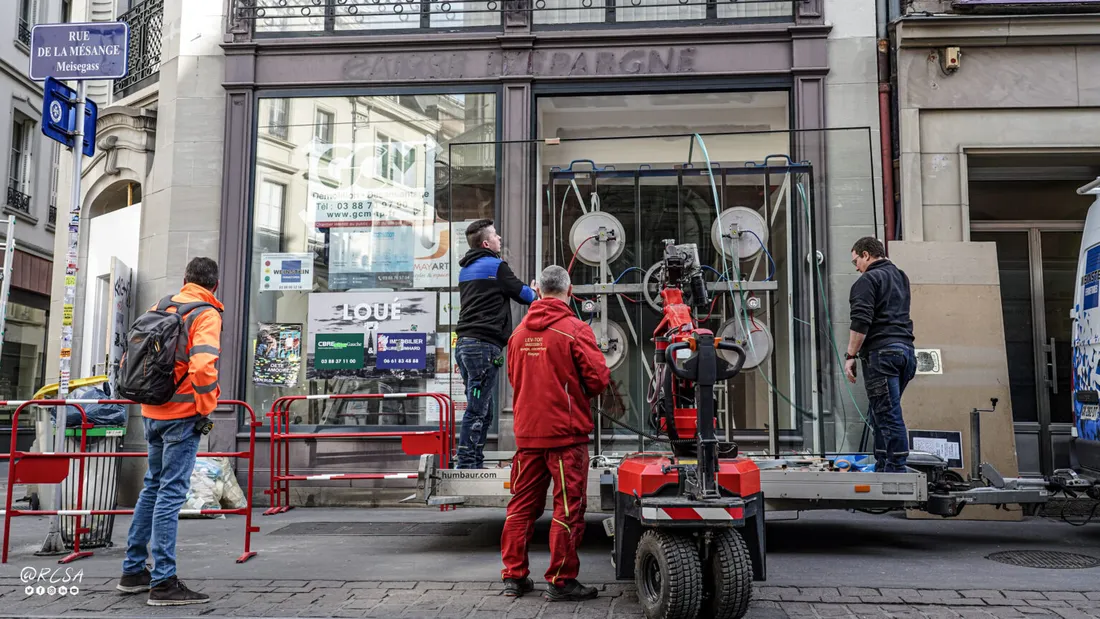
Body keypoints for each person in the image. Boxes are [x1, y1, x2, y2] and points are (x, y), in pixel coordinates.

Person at [116, 257, 223, 605]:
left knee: (153, 486)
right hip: (181, 413)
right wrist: (206, 406)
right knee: (171, 492)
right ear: (215, 286)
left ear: (185, 278)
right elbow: (204, 366)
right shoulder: (206, 313)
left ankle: (133, 571)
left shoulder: (160, 305)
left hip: (151, 410)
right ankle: (163, 582)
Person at [500, 265, 610, 601]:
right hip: (566, 436)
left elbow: (515, 380)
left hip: (528, 435)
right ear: (569, 289)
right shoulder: (574, 329)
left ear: (537, 288)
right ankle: (561, 581)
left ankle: (514, 577)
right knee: (568, 508)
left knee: (520, 506)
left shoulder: (518, 335)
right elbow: (598, 378)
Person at [454, 219, 537, 469]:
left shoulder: (466, 269)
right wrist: (535, 292)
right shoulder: (496, 266)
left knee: (483, 406)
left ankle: (475, 459)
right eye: (496, 236)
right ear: (486, 243)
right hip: (482, 346)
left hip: (465, 345)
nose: (500, 238)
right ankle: (467, 463)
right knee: (478, 408)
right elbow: (524, 296)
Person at [844, 237, 916, 473]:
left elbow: (860, 322)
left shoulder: (868, 280)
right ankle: (884, 463)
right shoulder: (901, 277)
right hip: (905, 353)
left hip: (882, 354)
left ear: (866, 255)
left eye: (856, 260)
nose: (856, 267)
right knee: (882, 412)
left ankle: (896, 468)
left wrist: (850, 355)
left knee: (887, 415)